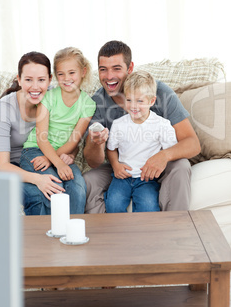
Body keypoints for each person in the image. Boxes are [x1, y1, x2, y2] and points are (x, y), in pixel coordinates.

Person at [83, 40, 201, 213]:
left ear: (130, 68)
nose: (109, 76)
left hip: (156, 163)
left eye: (116, 68)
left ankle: (176, 230)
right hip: (123, 165)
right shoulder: (97, 102)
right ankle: (106, 234)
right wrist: (96, 143)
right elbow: (94, 162)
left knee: (181, 166)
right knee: (88, 180)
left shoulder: (158, 92)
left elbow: (193, 143)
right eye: (103, 69)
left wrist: (164, 156)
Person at [20, 47, 96, 215]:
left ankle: (72, 233)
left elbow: (74, 140)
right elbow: (41, 138)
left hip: (61, 154)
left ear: (83, 72)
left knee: (77, 188)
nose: (66, 78)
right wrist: (56, 162)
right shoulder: (48, 97)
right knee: (54, 186)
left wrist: (55, 160)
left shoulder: (88, 104)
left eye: (71, 73)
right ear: (55, 75)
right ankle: (49, 235)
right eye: (61, 74)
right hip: (35, 151)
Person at [0, 51, 66, 213]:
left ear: (50, 80)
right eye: (28, 80)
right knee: (37, 196)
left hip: (35, 163)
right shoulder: (4, 108)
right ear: (19, 79)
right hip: (6, 169)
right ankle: (37, 238)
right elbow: (2, 165)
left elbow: (68, 133)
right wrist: (38, 180)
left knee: (60, 191)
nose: (35, 87)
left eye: (41, 80)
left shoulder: (54, 100)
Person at [105, 70, 178, 213]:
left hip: (147, 179)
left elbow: (171, 150)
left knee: (149, 207)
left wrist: (159, 165)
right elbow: (111, 148)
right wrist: (115, 165)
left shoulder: (161, 125)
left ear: (151, 101)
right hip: (123, 177)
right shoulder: (119, 124)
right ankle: (120, 233)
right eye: (129, 100)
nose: (133, 106)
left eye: (140, 101)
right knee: (113, 204)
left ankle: (145, 235)